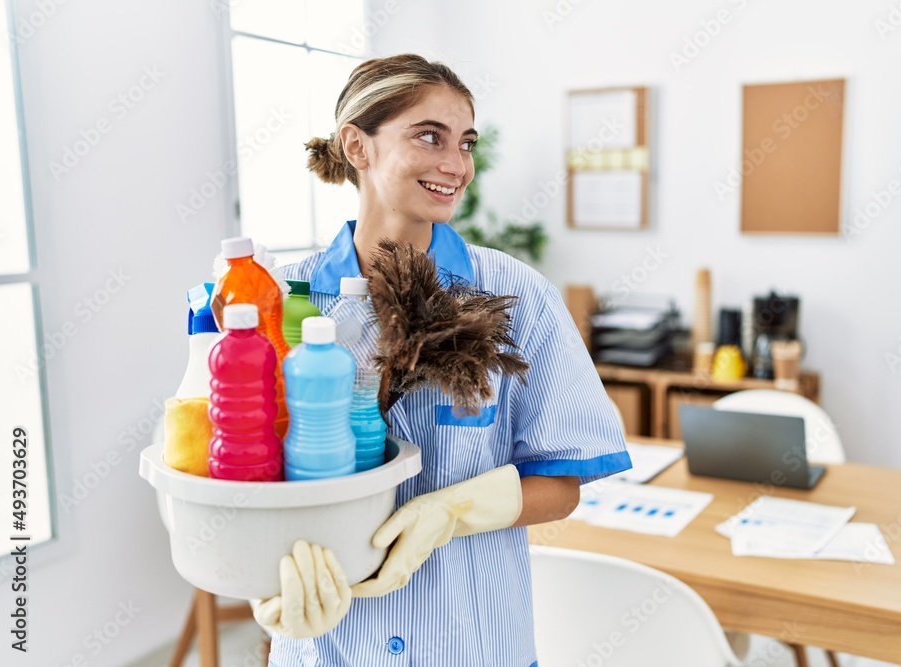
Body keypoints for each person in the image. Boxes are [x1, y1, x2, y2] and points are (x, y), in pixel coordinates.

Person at [257, 53, 631, 666]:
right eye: (428, 137)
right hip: (328, 646)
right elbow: (242, 475)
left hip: (473, 644)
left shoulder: (515, 296)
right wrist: (262, 594)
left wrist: (452, 510)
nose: (456, 166)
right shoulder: (283, 301)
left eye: (466, 143)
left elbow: (561, 486)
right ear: (357, 145)